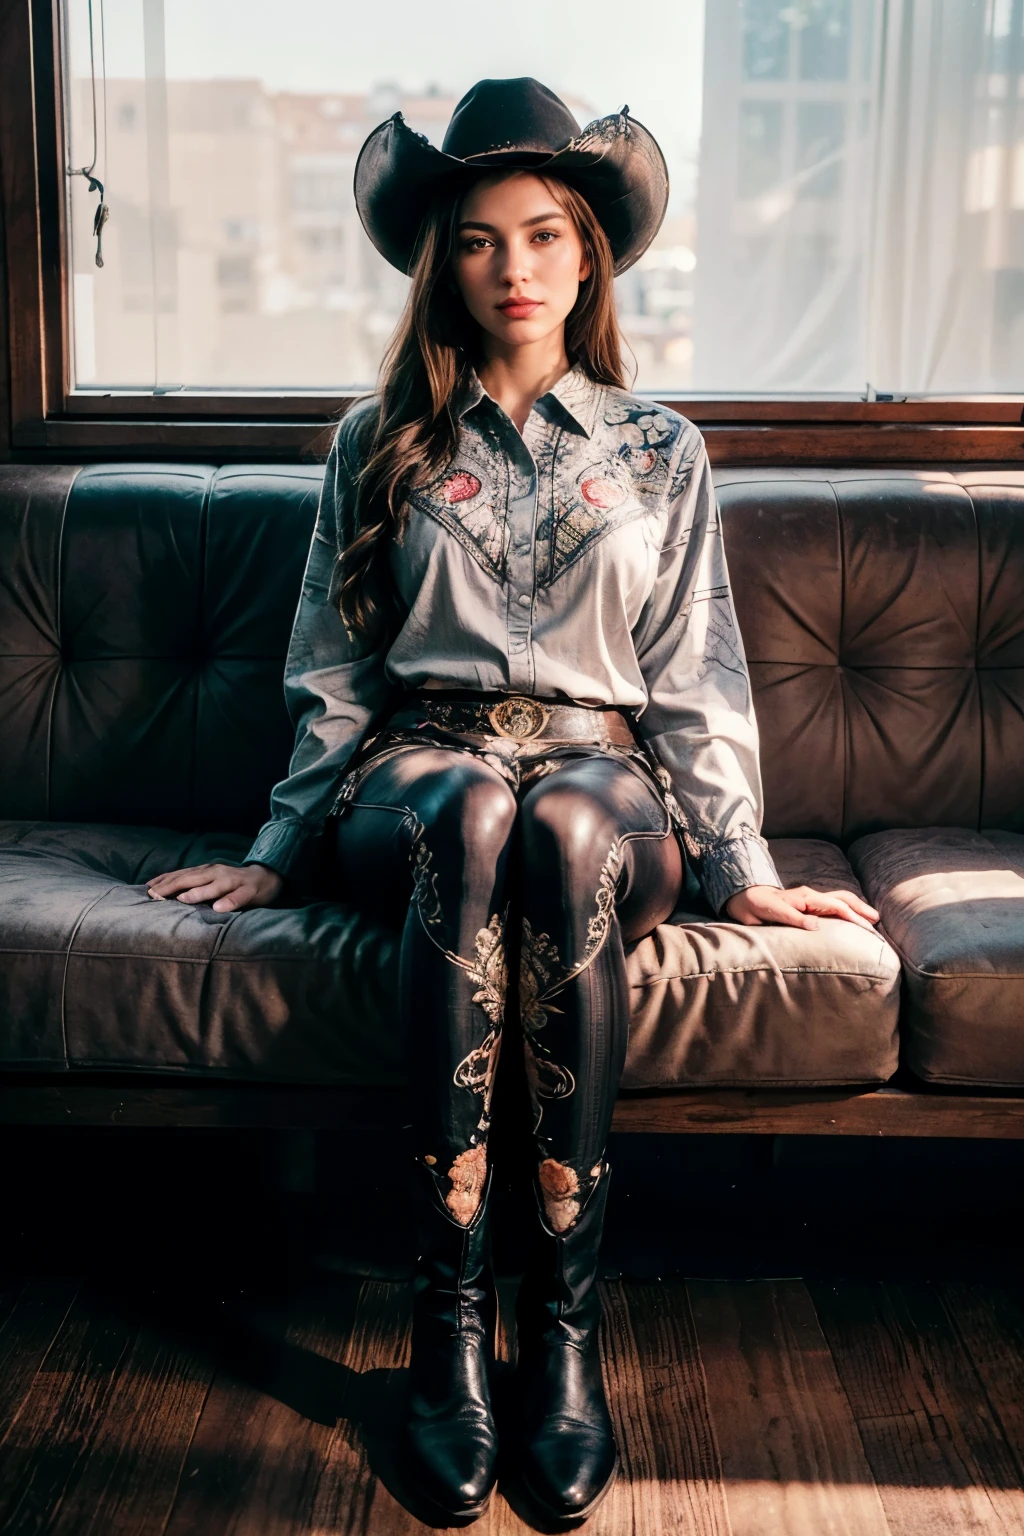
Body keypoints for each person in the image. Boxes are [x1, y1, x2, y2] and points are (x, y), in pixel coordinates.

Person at [146, 78, 880, 1526]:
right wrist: (278, 849)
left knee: (562, 823)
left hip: (607, 773)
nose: (515, 268)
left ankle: (561, 1334)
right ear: (445, 263)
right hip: (419, 774)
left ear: (588, 255)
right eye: (480, 241)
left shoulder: (662, 450)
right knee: (479, 815)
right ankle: (446, 1325)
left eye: (544, 235)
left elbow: (695, 676)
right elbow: (332, 670)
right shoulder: (380, 442)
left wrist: (742, 868)